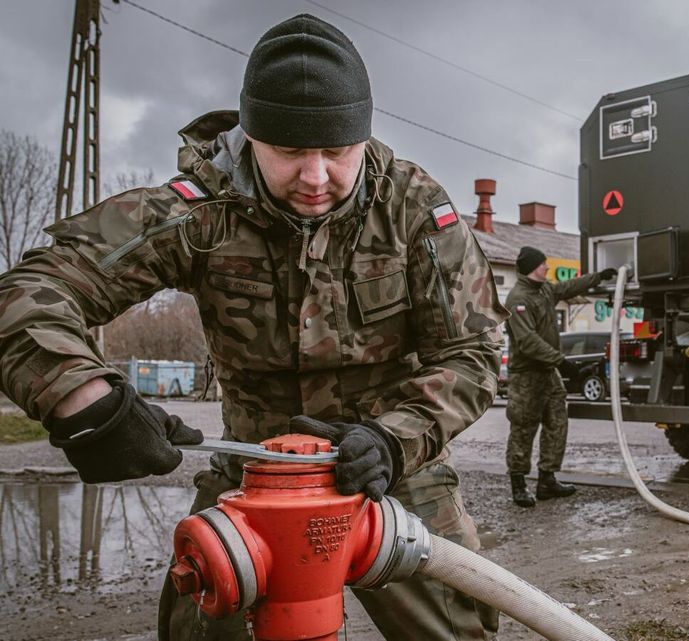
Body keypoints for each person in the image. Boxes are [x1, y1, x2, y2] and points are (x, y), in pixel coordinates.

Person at [0, 14, 507, 641]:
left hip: (390, 467)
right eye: (291, 152)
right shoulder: (201, 210)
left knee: (459, 630)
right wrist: (85, 396)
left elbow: (474, 351)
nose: (317, 177)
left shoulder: (411, 209)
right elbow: (32, 290)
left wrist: (394, 437)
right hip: (252, 470)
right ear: (251, 139)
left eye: (337, 151)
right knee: (195, 625)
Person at [503, 246, 615, 507]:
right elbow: (527, 341)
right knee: (523, 427)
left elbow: (569, 287)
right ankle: (518, 483)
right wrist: (561, 362)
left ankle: (547, 480)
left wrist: (598, 277)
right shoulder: (518, 299)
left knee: (557, 423)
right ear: (533, 267)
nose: (547, 268)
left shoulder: (544, 290)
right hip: (527, 375)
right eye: (543, 264)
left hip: (547, 373)